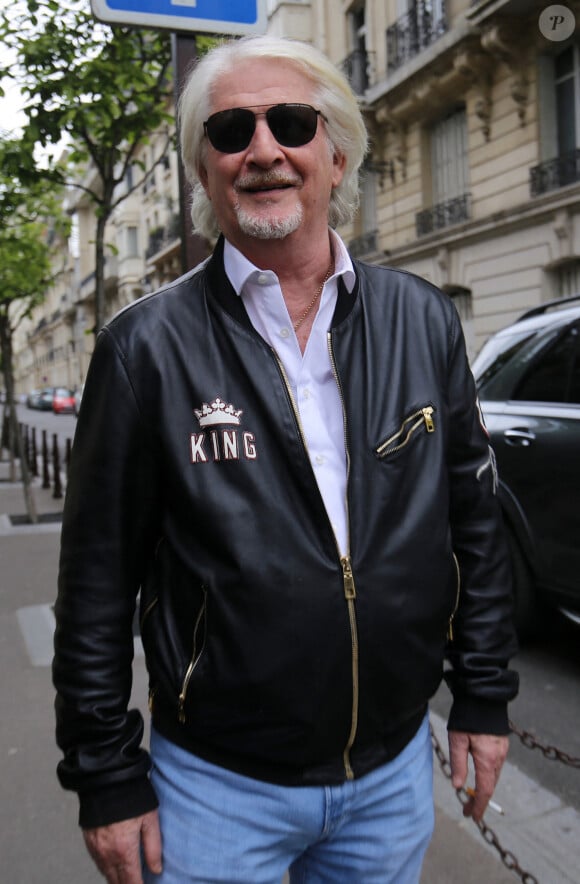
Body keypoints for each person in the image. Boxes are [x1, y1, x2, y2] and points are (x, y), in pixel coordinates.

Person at [53, 34, 519, 884]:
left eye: (291, 123)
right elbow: (94, 583)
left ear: (336, 153)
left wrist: (483, 698)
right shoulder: (142, 349)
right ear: (205, 171)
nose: (262, 150)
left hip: (390, 780)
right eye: (231, 131)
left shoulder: (422, 320)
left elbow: (473, 525)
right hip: (213, 793)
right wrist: (106, 777)